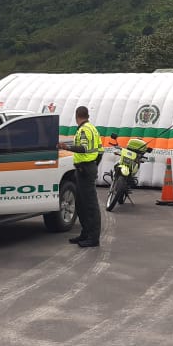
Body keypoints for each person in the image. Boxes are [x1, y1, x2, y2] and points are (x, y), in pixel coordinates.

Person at [57, 106, 103, 247]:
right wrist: (94, 165)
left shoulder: (83, 130)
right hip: (86, 168)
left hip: (85, 169)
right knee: (81, 203)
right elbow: (100, 150)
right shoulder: (93, 129)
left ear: (77, 116)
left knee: (90, 205)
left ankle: (93, 238)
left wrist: (66, 148)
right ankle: (85, 234)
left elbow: (82, 148)